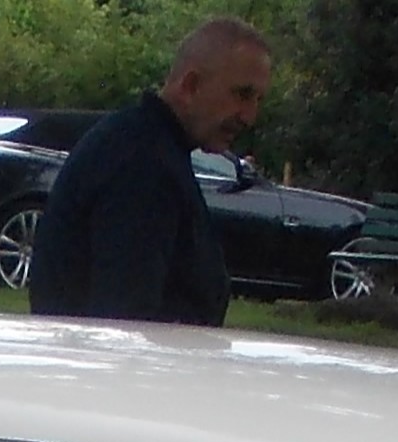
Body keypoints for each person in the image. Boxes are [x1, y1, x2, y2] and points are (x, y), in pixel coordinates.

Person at [27, 18, 270, 325]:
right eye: (242, 94)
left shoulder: (145, 147)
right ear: (190, 86)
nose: (249, 116)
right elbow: (124, 322)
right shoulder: (142, 166)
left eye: (258, 100)